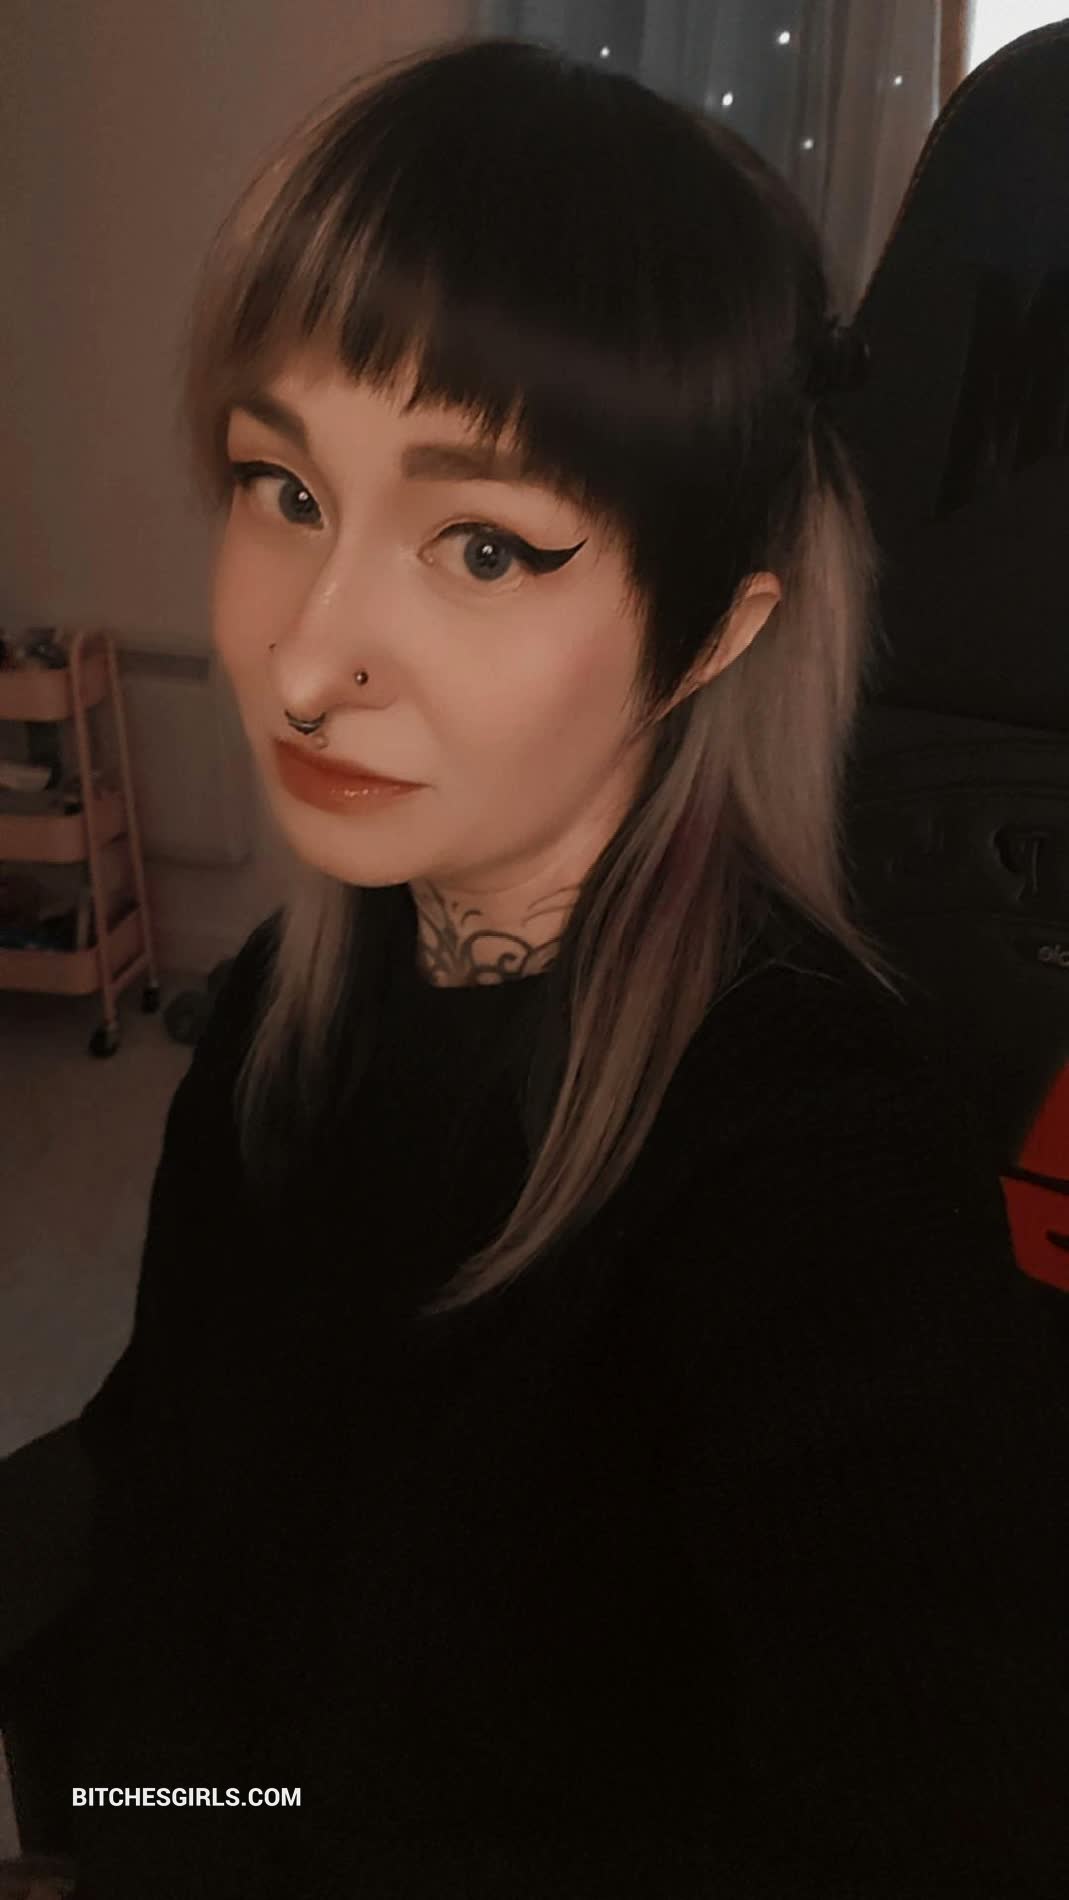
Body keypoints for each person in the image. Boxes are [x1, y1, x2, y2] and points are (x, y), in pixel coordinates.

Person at [59, 32, 1068, 1899]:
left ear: (712, 633)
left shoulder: (810, 1172)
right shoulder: (298, 1003)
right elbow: (167, 1481)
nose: (304, 666)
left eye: (483, 546)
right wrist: (102, 1811)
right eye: (284, 489)